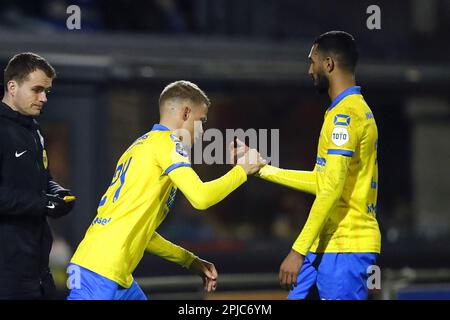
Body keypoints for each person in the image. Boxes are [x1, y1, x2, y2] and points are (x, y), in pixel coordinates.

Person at [67, 80, 263, 300]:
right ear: (186, 112)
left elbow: (144, 232)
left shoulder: (139, 146)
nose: (201, 131)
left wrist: (190, 260)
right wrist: (242, 171)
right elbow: (200, 198)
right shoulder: (168, 144)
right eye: (201, 121)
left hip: (112, 270)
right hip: (98, 270)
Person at [255, 31, 381, 299]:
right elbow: (323, 181)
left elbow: (330, 189)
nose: (308, 69)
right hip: (326, 244)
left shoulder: (345, 117)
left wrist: (297, 251)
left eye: (312, 62)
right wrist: (263, 169)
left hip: (345, 247)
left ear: (329, 64)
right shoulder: (344, 110)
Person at [0, 52, 76, 299]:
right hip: (7, 272)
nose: (43, 98)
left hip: (37, 267)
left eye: (47, 92)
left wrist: (55, 191)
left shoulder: (34, 130)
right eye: (37, 90)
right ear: (12, 86)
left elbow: (42, 178)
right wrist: (43, 203)